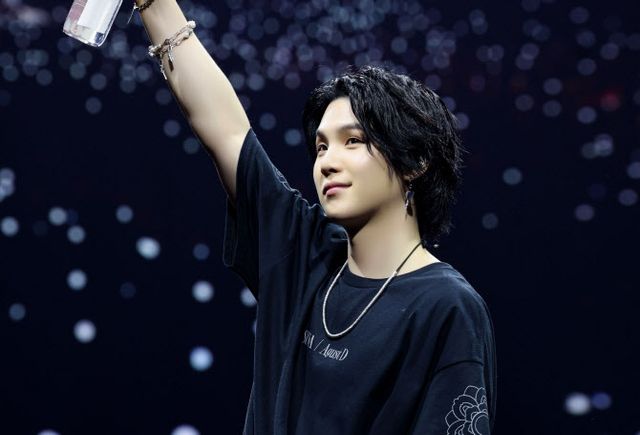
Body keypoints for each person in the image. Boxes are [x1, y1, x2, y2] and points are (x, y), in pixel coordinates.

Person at [134, 1, 497, 434]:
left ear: (416, 160)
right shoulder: (303, 252)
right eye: (322, 147)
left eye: (353, 141)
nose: (327, 162)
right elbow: (226, 131)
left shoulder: (447, 306)